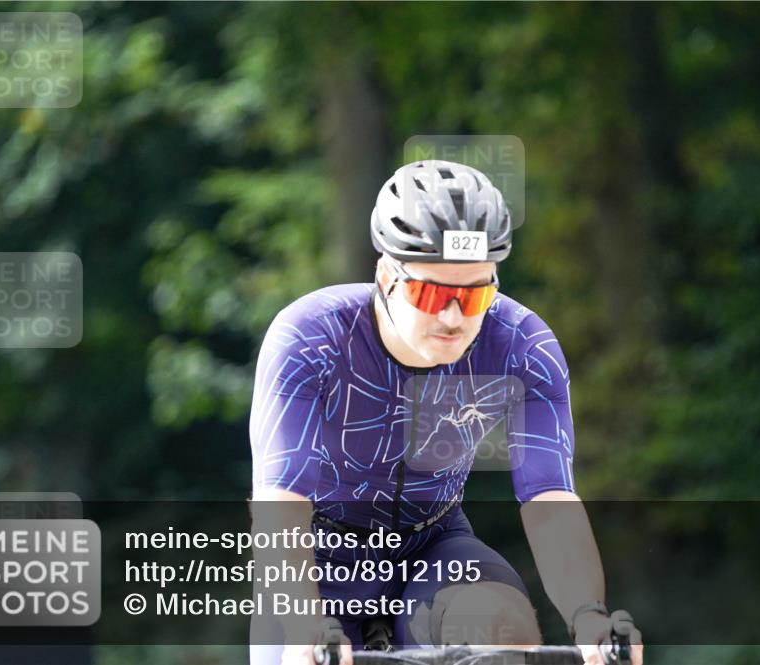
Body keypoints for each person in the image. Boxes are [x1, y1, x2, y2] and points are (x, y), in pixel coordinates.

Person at [249, 160, 643, 665]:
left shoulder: (521, 345)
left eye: (475, 293)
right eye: (432, 292)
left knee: (500, 627)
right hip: (317, 559)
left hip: (432, 546)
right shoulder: (311, 337)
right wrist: (304, 623)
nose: (454, 318)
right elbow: (281, 500)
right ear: (387, 276)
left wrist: (589, 617)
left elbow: (548, 499)